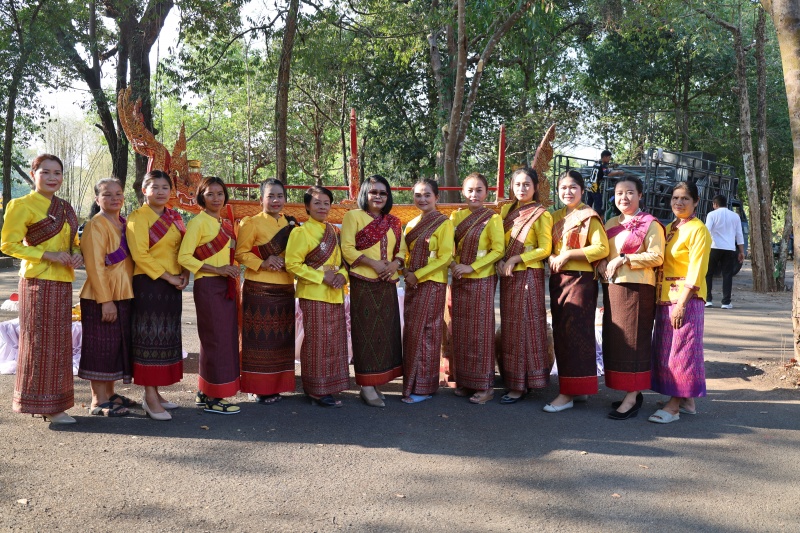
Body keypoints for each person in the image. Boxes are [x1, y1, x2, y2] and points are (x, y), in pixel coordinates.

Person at [1, 155, 82, 425]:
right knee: (39, 344)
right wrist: (46, 254)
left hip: (63, 282)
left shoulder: (65, 208)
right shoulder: (21, 205)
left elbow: (74, 242)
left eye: (57, 172)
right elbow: (8, 245)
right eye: (45, 172)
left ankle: (56, 404)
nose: (52, 177)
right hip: (37, 282)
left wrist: (77, 253)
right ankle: (40, 403)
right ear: (33, 173)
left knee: (59, 344)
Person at [597, 176, 665, 420]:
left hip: (637, 289)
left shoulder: (650, 224)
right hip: (613, 288)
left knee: (635, 342)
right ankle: (629, 390)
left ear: (640, 196)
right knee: (618, 342)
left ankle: (632, 397)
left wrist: (625, 259)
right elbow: (603, 252)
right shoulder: (610, 223)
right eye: (619, 193)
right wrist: (602, 262)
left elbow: (657, 256)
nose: (623, 197)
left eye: (629, 192)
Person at [127, 170, 188, 421]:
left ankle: (157, 392)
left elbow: (184, 248)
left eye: (165, 187)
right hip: (149, 285)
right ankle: (149, 396)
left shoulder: (174, 217)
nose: (161, 192)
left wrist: (184, 273)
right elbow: (140, 255)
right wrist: (169, 277)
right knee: (149, 340)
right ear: (145, 190)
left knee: (166, 338)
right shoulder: (138, 217)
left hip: (172, 286)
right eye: (155, 187)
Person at [341, 175, 406, 408]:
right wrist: (374, 264)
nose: (378, 196)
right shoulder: (353, 216)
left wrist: (394, 265)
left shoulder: (394, 221)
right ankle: (366, 386)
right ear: (365, 194)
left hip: (387, 283)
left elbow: (401, 250)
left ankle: (377, 382)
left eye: (382, 193)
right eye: (373, 192)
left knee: (385, 334)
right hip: (363, 282)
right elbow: (347, 248)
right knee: (365, 334)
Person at [546, 170, 609, 413]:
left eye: (573, 187)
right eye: (563, 188)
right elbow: (547, 248)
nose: (568, 192)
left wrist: (569, 254)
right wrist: (552, 256)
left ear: (582, 190)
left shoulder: (589, 216)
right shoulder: (554, 217)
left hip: (581, 281)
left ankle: (568, 394)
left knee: (576, 334)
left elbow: (601, 248)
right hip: (558, 280)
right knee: (562, 333)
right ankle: (578, 388)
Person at [649, 182, 711, 424]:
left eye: (685, 198)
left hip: (687, 299)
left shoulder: (698, 229)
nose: (679, 202)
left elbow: (696, 269)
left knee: (682, 352)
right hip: (665, 298)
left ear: (696, 202)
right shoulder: (668, 228)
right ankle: (687, 402)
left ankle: (674, 406)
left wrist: (683, 303)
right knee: (667, 351)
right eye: (675, 198)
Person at [178, 176, 241, 415]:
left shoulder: (224, 223)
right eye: (210, 194)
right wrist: (218, 269)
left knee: (221, 339)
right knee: (216, 340)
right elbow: (184, 257)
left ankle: (205, 391)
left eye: (220, 193)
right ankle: (215, 398)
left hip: (224, 285)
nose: (216, 198)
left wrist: (228, 270)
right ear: (201, 197)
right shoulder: (198, 222)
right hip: (208, 285)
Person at [285, 186, 350, 407]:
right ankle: (315, 390)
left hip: (335, 293)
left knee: (333, 342)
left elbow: (343, 263)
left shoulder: (334, 231)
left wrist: (342, 276)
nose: (322, 207)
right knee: (317, 343)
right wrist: (322, 277)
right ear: (307, 206)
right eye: (317, 203)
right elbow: (292, 264)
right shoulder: (300, 232)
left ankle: (329, 386)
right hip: (313, 294)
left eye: (326, 203)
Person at [236, 179, 298, 405]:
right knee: (259, 341)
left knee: (280, 340)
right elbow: (241, 253)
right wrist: (263, 261)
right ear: (261, 199)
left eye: (280, 196)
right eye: (270, 196)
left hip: (285, 286)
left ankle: (277, 385)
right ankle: (256, 388)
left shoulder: (291, 225)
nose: (275, 200)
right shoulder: (250, 223)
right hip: (259, 288)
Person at [78, 178, 136, 417]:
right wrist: (106, 300)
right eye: (107, 194)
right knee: (100, 348)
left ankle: (110, 394)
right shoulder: (96, 224)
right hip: (101, 296)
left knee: (114, 347)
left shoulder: (123, 223)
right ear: (97, 199)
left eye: (118, 193)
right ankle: (98, 400)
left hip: (123, 293)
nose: (114, 198)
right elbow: (94, 265)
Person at [495, 168, 553, 404]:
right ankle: (514, 378)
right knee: (510, 328)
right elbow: (498, 242)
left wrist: (516, 259)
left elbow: (545, 249)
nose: (522, 188)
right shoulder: (506, 211)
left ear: (536, 187)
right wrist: (500, 260)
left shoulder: (541, 214)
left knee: (525, 328)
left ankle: (522, 385)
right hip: (508, 276)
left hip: (528, 274)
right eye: (517, 184)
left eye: (527, 184)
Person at [448, 172, 504, 405]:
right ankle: (466, 381)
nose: (474, 194)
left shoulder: (493, 218)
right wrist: (454, 265)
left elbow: (498, 250)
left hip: (481, 279)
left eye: (479, 190)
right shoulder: (455, 216)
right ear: (463, 192)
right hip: (460, 277)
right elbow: (448, 247)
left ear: (486, 192)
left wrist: (472, 267)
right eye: (470, 190)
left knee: (480, 332)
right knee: (461, 331)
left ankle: (485, 386)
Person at [400, 179, 454, 404]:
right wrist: (405, 271)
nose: (422, 199)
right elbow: (403, 253)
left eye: (427, 195)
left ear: (436, 197)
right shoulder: (411, 224)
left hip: (432, 283)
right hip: (412, 283)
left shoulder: (444, 223)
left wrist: (418, 275)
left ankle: (424, 387)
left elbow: (445, 257)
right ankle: (411, 384)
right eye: (418, 195)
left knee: (428, 333)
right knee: (412, 333)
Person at [704, 195, 744, 309]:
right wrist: (741, 251)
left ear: (715, 204)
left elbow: (707, 231)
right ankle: (726, 302)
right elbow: (739, 234)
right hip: (729, 249)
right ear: (726, 204)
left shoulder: (712, 215)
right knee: (727, 275)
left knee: (708, 273)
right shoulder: (735, 216)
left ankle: (708, 300)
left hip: (714, 247)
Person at [588, 150, 623, 216]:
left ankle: (586, 216)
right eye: (609, 158)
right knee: (598, 205)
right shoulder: (603, 165)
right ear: (604, 157)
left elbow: (603, 168)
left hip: (589, 186)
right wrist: (619, 172)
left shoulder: (597, 163)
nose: (609, 160)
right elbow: (608, 173)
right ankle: (597, 218)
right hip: (595, 187)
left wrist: (612, 165)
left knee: (589, 204)